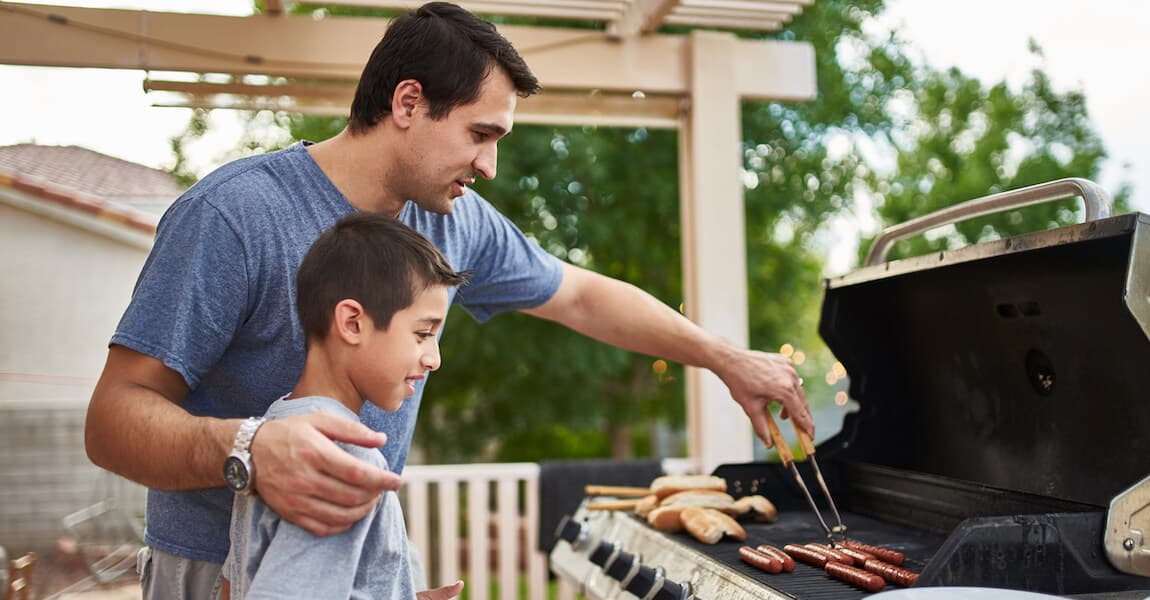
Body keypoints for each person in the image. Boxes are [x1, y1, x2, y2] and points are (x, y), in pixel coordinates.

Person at [85, 2, 813, 598]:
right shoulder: (234, 215)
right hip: (213, 571)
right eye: (480, 134)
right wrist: (250, 449)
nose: (489, 165)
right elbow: (112, 420)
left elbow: (582, 297)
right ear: (408, 102)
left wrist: (725, 359)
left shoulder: (451, 222)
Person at [224, 212, 467, 599]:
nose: (434, 359)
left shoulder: (277, 428)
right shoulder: (343, 459)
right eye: (423, 333)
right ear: (352, 323)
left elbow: (234, 583)